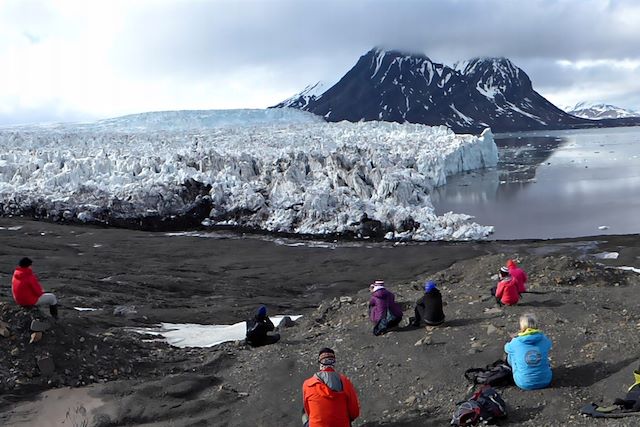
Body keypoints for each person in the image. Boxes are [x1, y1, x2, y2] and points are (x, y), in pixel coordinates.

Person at [302, 347, 360, 427]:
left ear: (320, 363)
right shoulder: (345, 382)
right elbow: (354, 413)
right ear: (334, 363)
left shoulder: (308, 384)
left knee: (304, 413)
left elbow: (308, 412)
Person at [504, 313, 552, 390]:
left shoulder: (516, 342)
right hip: (546, 381)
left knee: (511, 353)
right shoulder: (544, 339)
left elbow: (506, 348)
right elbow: (549, 345)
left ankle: (518, 372)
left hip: (523, 383)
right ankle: (539, 371)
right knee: (543, 351)